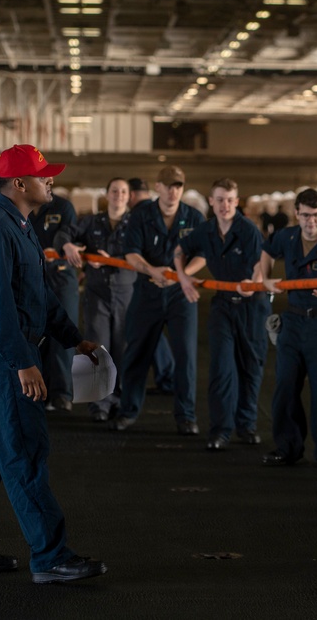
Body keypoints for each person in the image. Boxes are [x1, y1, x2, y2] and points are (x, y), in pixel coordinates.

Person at [0, 144, 106, 584]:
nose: (50, 180)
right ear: (18, 183)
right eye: (42, 175)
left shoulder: (21, 226)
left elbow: (39, 297)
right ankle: (50, 557)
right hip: (1, 354)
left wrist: (75, 340)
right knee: (24, 452)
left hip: (5, 352)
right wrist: (22, 363)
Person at [174, 178, 270, 450]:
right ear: (212, 202)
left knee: (250, 368)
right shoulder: (205, 231)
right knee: (221, 368)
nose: (225, 205)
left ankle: (247, 425)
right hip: (223, 306)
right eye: (220, 199)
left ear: (236, 202)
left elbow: (261, 264)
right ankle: (220, 430)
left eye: (230, 199)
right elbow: (180, 250)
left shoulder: (249, 231)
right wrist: (183, 277)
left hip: (253, 306)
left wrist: (254, 282)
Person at [109, 166, 205, 435]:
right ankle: (128, 411)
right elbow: (131, 252)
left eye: (178, 186)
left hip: (180, 295)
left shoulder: (194, 217)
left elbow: (202, 255)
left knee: (185, 356)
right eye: (168, 185)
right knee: (137, 353)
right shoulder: (141, 215)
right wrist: (154, 271)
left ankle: (186, 416)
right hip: (147, 291)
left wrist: (181, 275)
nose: (174, 191)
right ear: (158, 187)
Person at [258, 188, 317, 467]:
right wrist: (265, 278)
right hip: (294, 322)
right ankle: (288, 447)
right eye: (307, 216)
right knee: (285, 387)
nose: (312, 222)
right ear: (296, 214)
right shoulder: (286, 237)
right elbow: (267, 251)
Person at [58, 177, 136, 421]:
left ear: (129, 195)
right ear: (107, 194)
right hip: (97, 292)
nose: (119, 195)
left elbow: (145, 254)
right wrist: (68, 246)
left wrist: (114, 257)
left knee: (124, 349)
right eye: (115, 190)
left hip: (126, 292)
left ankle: (121, 401)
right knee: (98, 348)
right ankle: (99, 406)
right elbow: (64, 234)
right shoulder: (92, 222)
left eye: (123, 191)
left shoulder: (136, 224)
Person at [31, 191, 79, 412]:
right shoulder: (22, 206)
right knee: (34, 335)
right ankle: (39, 390)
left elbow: (67, 235)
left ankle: (62, 393)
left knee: (62, 336)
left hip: (60, 278)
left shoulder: (64, 207)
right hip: (30, 278)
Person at [128, 176, 176, 395]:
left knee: (147, 335)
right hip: (159, 279)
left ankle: (165, 377)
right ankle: (166, 377)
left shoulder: (141, 214)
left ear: (130, 194)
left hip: (147, 282)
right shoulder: (153, 210)